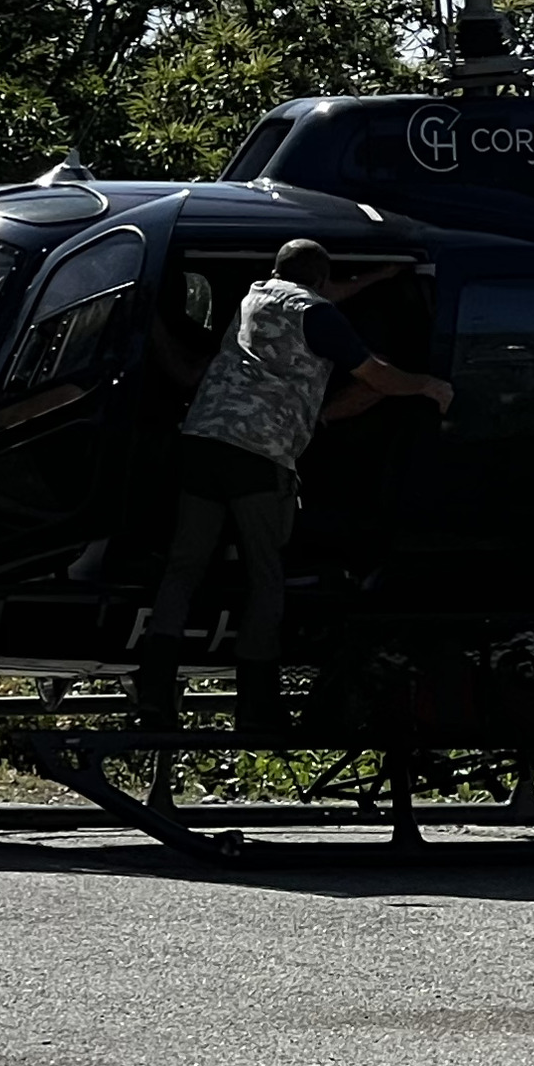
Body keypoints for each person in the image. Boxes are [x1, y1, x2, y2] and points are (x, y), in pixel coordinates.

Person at [137, 238, 449, 725]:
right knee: (266, 576)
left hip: (202, 441)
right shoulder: (319, 315)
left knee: (184, 566)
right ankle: (257, 703)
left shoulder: (254, 296)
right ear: (320, 280)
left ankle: (154, 687)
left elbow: (320, 296)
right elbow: (375, 374)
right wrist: (427, 385)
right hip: (259, 453)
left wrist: (374, 278)